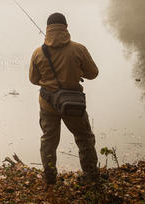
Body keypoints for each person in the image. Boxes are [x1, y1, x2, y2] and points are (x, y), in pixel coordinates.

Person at [29, 12, 100, 186]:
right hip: (73, 104)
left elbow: (32, 79)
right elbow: (93, 73)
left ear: (47, 30)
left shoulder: (38, 52)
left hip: (48, 104)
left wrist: (48, 83)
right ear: (66, 28)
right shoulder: (79, 49)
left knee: (49, 141)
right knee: (84, 139)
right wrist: (78, 72)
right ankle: (91, 177)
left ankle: (50, 178)